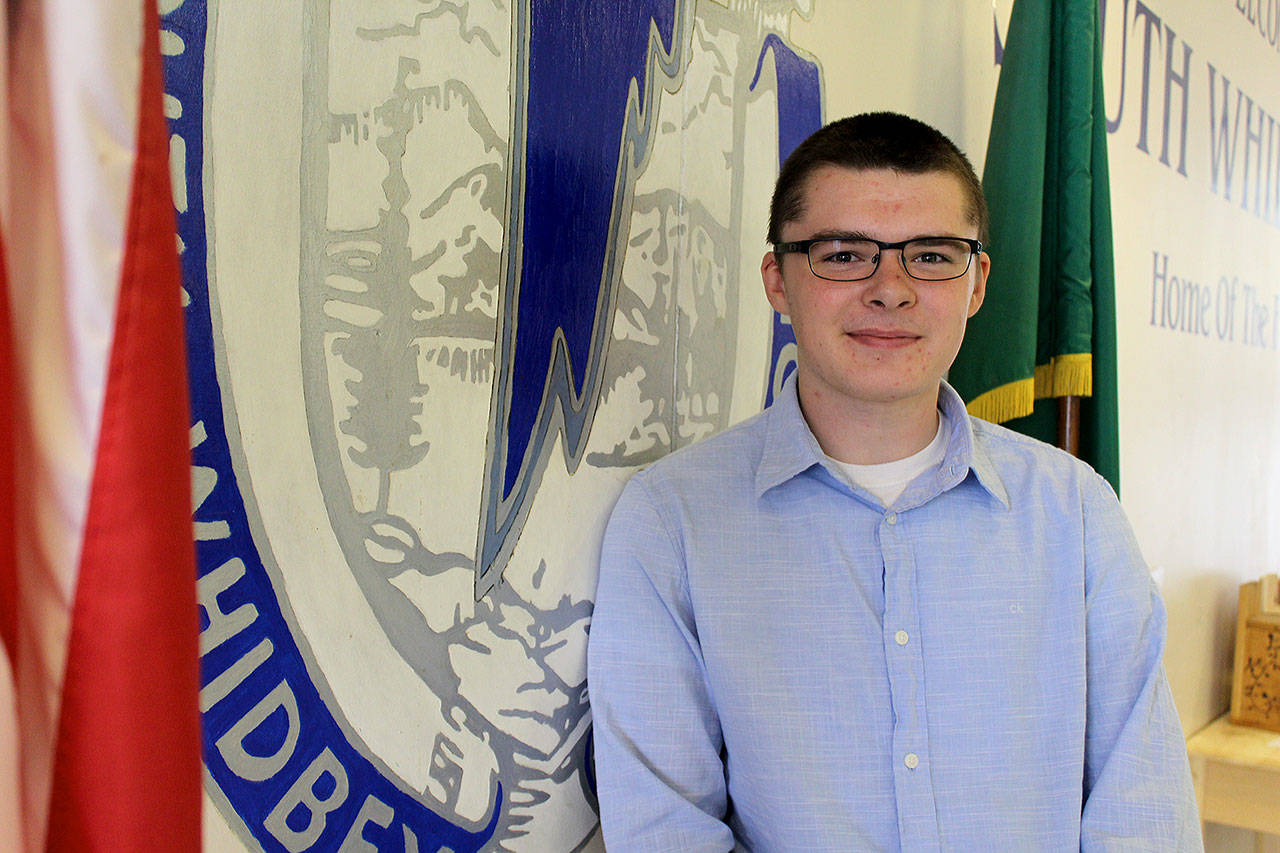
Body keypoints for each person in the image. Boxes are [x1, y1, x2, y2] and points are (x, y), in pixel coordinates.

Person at [586, 112, 1201, 851]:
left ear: (977, 284)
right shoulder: (673, 521)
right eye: (845, 254)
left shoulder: (1076, 511)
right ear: (778, 280)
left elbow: (1144, 812)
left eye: (932, 256)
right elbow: (665, 829)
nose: (892, 289)